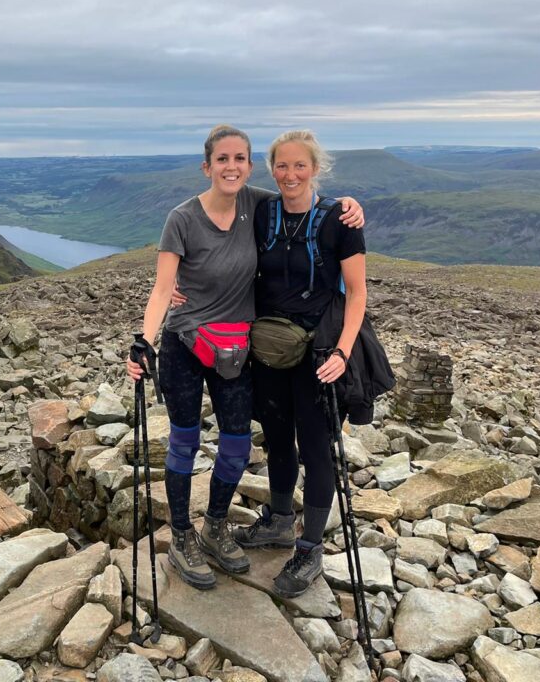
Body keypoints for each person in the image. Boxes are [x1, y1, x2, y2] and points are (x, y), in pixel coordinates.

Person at [127, 124, 363, 590]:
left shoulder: (259, 202)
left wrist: (351, 204)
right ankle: (181, 535)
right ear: (207, 166)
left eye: (240, 159)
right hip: (185, 344)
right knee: (184, 440)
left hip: (237, 349)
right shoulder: (182, 217)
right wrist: (143, 340)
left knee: (237, 443)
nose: (231, 167)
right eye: (223, 159)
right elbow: (161, 288)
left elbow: (313, 200)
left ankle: (215, 524)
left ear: (250, 167)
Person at [231, 129, 367, 599]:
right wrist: (184, 284)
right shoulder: (263, 210)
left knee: (316, 446)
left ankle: (310, 549)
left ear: (316, 168)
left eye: (300, 166)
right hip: (269, 347)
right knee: (277, 436)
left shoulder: (340, 220)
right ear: (272, 169)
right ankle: (281, 522)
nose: (290, 174)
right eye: (282, 166)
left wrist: (343, 352)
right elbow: (215, 235)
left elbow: (357, 293)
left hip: (318, 350)